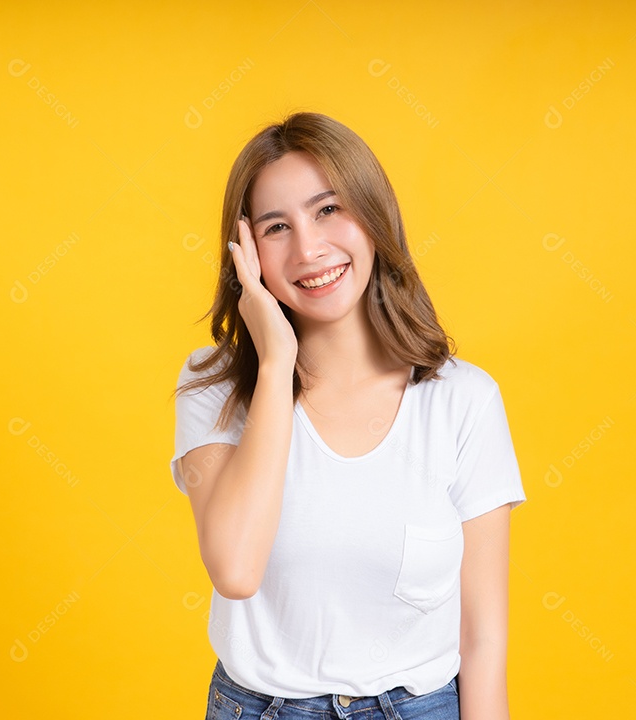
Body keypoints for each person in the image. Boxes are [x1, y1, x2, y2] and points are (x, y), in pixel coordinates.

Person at [169, 111, 526, 720]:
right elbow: (235, 569)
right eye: (276, 226)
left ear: (374, 216)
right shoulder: (214, 386)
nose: (308, 249)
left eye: (329, 210)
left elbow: (483, 639)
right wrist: (276, 363)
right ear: (246, 251)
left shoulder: (463, 399)